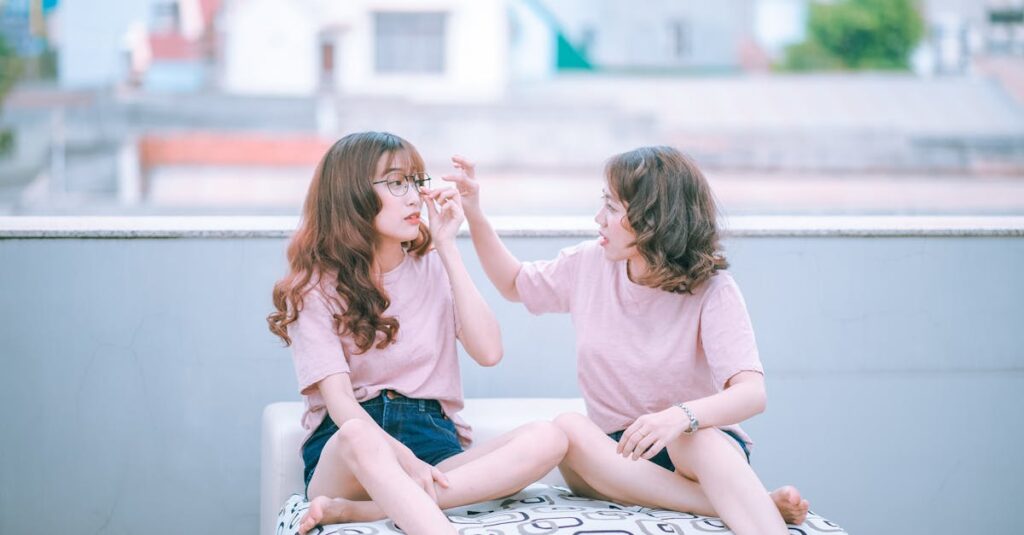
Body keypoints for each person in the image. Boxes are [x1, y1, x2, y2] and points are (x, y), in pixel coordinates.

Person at [446, 146, 811, 534]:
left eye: (612, 207)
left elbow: (752, 393)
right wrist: (474, 212)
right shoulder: (588, 264)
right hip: (613, 461)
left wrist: (677, 418)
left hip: (693, 450)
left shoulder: (714, 290)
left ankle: (746, 510)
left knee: (694, 440)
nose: (598, 219)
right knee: (569, 427)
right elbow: (514, 283)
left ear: (654, 220)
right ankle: (742, 503)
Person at [268, 132, 567, 535]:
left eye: (415, 181)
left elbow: (489, 350)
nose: (413, 197)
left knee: (549, 437)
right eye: (396, 183)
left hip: (433, 442)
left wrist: (447, 247)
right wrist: (404, 463)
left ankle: (369, 511)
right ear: (351, 195)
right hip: (350, 453)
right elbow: (341, 407)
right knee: (358, 434)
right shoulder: (314, 288)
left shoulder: (432, 264)